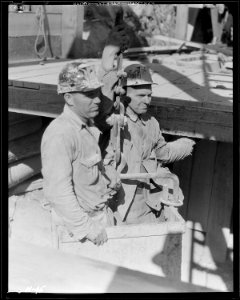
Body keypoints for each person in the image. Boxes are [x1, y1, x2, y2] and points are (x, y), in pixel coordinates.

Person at [99, 39, 196, 225]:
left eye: (149, 95)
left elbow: (163, 153)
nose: (147, 101)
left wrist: (187, 143)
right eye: (141, 96)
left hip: (150, 200)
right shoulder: (115, 121)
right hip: (122, 202)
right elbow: (103, 95)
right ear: (124, 94)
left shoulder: (152, 123)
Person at [41, 61, 123, 246]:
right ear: (69, 98)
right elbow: (57, 192)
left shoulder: (86, 127)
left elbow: (85, 167)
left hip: (96, 219)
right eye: (89, 95)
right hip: (78, 231)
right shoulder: (61, 134)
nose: (98, 100)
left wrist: (106, 173)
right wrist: (87, 229)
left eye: (97, 93)